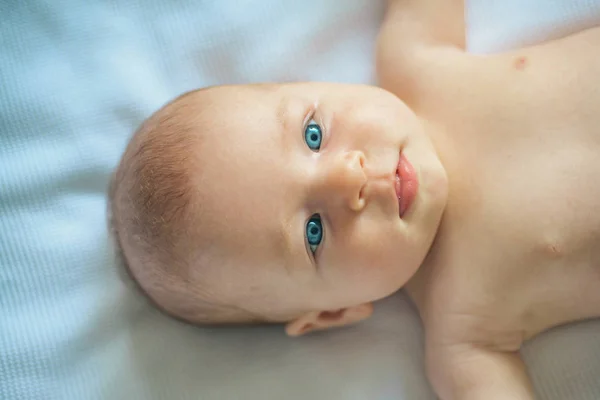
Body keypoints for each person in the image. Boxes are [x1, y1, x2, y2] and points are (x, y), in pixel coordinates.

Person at [109, 1, 600, 398]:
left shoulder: (416, 63)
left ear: (311, 83)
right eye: (313, 232)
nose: (350, 178)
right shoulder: (464, 337)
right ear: (333, 313)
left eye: (314, 134)